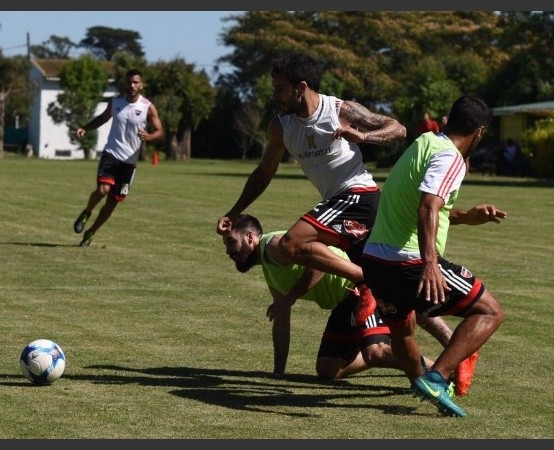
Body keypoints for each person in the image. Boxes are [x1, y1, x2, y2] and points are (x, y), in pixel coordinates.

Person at [216, 53, 407, 326]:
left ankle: (362, 279)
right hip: (340, 207)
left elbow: (397, 129)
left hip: (358, 195)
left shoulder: (339, 110)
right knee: (394, 288)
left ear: (301, 87)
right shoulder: (281, 127)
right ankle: (453, 353)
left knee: (292, 242)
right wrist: (235, 212)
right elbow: (263, 174)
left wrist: (364, 136)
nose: (275, 96)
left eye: (280, 89)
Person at [361, 94, 506, 418]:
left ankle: (420, 383)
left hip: (374, 260)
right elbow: (428, 205)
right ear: (479, 132)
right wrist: (430, 264)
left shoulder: (423, 143)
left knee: (401, 327)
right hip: (409, 261)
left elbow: (425, 205)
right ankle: (438, 378)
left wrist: (466, 216)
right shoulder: (450, 157)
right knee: (490, 311)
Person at [223, 214, 481, 393]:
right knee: (328, 370)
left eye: (231, 242)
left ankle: (437, 369)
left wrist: (290, 298)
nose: (228, 251)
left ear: (249, 238)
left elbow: (317, 265)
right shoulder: (269, 265)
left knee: (376, 350)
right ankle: (437, 354)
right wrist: (278, 372)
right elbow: (281, 320)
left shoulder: (275, 245)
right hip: (343, 300)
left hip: (359, 286)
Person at [72, 68, 164, 246]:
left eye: (135, 82)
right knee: (102, 190)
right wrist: (85, 128)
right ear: (125, 83)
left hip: (129, 163)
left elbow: (160, 131)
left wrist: (150, 136)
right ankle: (86, 212)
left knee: (112, 202)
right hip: (111, 153)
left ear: (141, 85)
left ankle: (92, 232)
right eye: (129, 82)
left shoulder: (148, 107)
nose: (132, 85)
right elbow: (102, 118)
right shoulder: (116, 102)